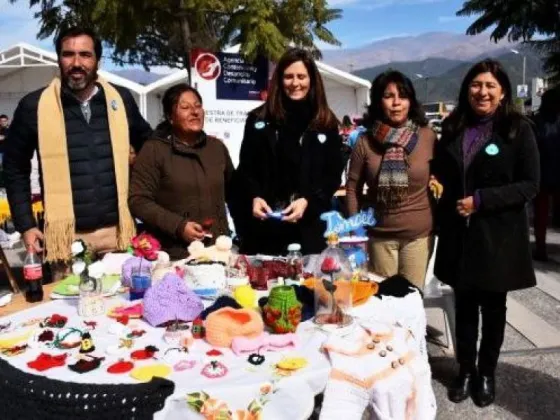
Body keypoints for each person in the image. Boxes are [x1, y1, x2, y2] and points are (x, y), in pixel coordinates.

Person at [432, 59, 539, 407]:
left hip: (498, 237)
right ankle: (465, 370)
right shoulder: (452, 127)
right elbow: (440, 172)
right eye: (476, 85)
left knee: (494, 308)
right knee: (464, 309)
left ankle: (487, 373)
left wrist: (481, 199)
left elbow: (530, 185)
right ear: (467, 90)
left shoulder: (517, 129)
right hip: (459, 236)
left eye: (491, 85)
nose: (483, 91)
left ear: (503, 91)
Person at [4, 27, 152, 265]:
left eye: (85, 54)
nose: (76, 62)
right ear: (58, 59)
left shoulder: (120, 100)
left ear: (97, 60)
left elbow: (151, 148)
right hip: (67, 241)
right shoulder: (34, 106)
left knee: (122, 303)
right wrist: (26, 225)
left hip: (119, 236)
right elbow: (14, 169)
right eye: (68, 54)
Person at [236, 48, 345, 255]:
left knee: (307, 286)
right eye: (289, 76)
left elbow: (332, 175)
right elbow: (246, 169)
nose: (295, 83)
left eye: (301, 76)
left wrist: (308, 201)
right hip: (266, 228)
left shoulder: (325, 122)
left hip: (309, 230)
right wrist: (254, 196)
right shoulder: (258, 120)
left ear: (312, 80)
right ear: (279, 80)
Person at [345, 70, 436, 288]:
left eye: (403, 96)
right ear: (378, 101)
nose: (396, 103)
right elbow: (352, 189)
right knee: (384, 304)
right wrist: (355, 229)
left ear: (411, 101)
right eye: (388, 96)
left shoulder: (427, 136)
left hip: (418, 236)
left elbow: (443, 173)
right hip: (380, 237)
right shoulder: (365, 141)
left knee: (411, 300)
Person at [129, 84, 235, 260]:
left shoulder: (216, 148)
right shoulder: (155, 150)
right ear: (170, 117)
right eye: (185, 107)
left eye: (198, 106)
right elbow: (138, 200)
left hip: (218, 251)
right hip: (175, 254)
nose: (194, 112)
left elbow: (235, 194)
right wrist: (178, 226)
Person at [532, 87, 560, 261]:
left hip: (540, 175)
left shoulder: (535, 122)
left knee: (540, 215)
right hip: (558, 175)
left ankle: (541, 248)